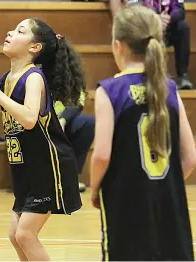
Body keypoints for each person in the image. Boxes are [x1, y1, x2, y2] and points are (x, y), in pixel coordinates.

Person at [0, 19, 84, 260]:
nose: (10, 32)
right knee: (15, 235)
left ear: (34, 48)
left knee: (25, 235)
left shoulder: (33, 77)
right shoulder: (5, 79)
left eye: (20, 31)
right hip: (25, 169)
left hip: (50, 166)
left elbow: (30, 118)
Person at [91, 5, 195, 261]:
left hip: (126, 203)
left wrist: (95, 188)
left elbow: (102, 155)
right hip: (168, 202)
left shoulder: (110, 90)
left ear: (118, 46)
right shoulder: (169, 88)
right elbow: (190, 157)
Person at [109, 0, 193, 89]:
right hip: (147, 27)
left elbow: (180, 10)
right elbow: (135, 8)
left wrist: (168, 18)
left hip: (169, 26)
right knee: (143, 29)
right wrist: (156, 18)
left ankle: (183, 76)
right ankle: (148, 75)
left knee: (183, 27)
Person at [55, 92, 95, 193]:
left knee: (88, 123)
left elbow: (77, 101)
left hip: (62, 122)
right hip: (37, 121)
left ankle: (70, 179)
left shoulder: (74, 77)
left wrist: (63, 119)